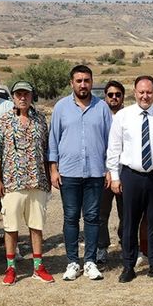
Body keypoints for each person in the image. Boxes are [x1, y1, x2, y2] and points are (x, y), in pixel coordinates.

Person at [106, 76, 153, 282]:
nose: (145, 96)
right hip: (131, 176)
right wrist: (115, 176)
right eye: (141, 92)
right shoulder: (123, 116)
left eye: (149, 92)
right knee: (129, 222)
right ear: (134, 92)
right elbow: (114, 148)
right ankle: (128, 266)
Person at [48, 64, 112, 281]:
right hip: (69, 172)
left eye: (86, 81)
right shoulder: (61, 107)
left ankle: (90, 261)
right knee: (71, 218)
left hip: (95, 172)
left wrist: (109, 169)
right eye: (79, 81)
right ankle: (73, 262)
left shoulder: (102, 108)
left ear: (92, 82)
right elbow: (53, 140)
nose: (83, 85)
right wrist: (53, 169)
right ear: (71, 83)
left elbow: (110, 141)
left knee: (93, 218)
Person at [0, 81, 54, 284]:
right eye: (18, 94)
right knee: (11, 227)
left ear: (31, 96)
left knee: (36, 226)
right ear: (13, 97)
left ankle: (38, 267)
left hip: (37, 181)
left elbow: (47, 150)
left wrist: (49, 176)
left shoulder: (40, 120)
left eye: (26, 94)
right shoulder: (4, 121)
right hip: (12, 183)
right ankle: (11, 268)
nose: (22, 98)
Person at [96, 79, 126, 265]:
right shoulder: (99, 116)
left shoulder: (129, 116)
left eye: (118, 94)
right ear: (105, 97)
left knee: (126, 213)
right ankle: (101, 247)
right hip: (102, 173)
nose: (114, 98)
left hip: (125, 173)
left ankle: (126, 244)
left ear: (123, 97)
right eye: (110, 95)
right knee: (101, 213)